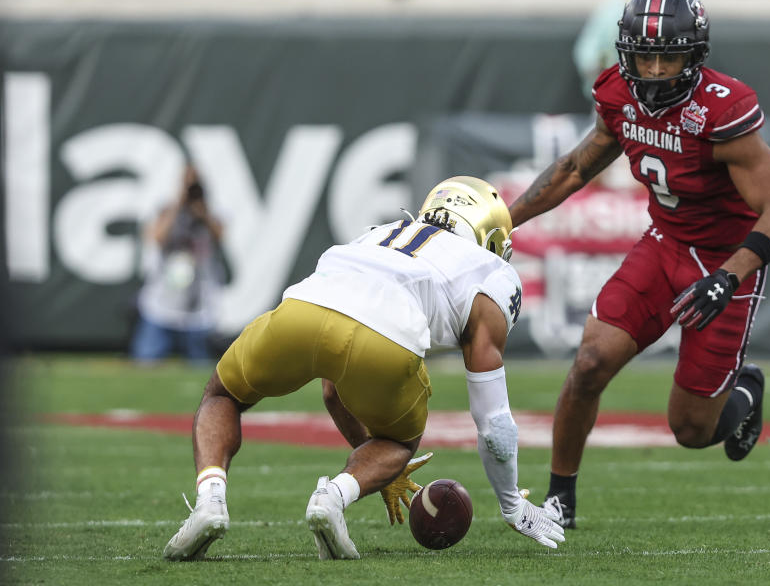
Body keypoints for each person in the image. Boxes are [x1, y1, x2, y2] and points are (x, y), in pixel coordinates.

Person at [507, 0, 770, 529]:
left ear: (695, 54)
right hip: (663, 244)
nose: (658, 69)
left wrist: (727, 279)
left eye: (670, 55)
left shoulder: (722, 112)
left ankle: (744, 392)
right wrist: (506, 221)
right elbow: (575, 168)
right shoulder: (618, 93)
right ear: (626, 52)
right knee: (589, 363)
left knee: (690, 430)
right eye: (647, 54)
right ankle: (559, 501)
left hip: (721, 261)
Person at [162, 176, 565, 561]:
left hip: (303, 308)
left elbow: (332, 390)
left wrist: (373, 465)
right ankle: (331, 497)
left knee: (223, 395)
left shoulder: (380, 232)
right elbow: (493, 421)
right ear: (490, 235)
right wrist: (512, 504)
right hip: (387, 337)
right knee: (398, 444)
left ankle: (210, 499)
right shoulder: (493, 271)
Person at [130, 166, 225, 364]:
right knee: (144, 366)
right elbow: (157, 237)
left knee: (202, 372)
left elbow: (220, 236)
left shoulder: (210, 211)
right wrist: (178, 202)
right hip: (161, 305)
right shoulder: (166, 209)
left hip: (198, 308)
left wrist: (203, 212)